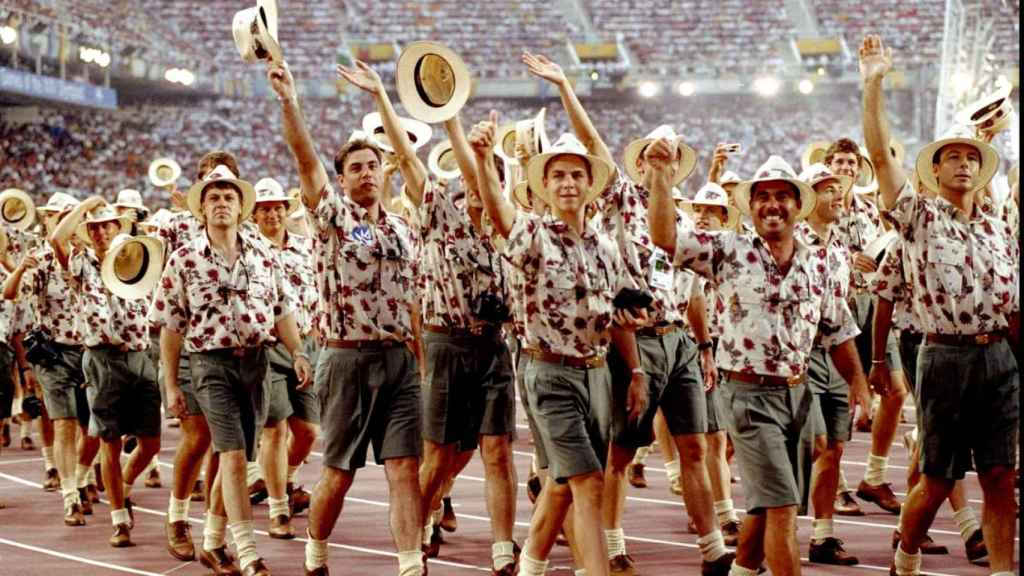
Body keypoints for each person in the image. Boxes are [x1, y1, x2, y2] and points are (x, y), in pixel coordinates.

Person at [649, 150, 870, 576]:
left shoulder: (818, 262)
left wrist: (860, 386)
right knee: (784, 507)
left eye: (782, 196)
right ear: (750, 208)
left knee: (767, 508)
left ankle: (741, 570)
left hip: (799, 394)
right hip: (748, 396)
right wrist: (660, 177)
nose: (772, 204)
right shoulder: (728, 250)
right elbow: (666, 239)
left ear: (796, 204)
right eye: (763, 196)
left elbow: (839, 331)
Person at [859, 34, 1018, 576]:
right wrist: (874, 82)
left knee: (999, 475)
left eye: (972, 158)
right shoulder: (919, 219)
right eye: (952, 157)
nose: (964, 165)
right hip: (943, 358)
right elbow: (880, 156)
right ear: (935, 170)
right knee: (938, 479)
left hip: (998, 356)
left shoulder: (998, 228)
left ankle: (1001, 570)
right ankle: (905, 553)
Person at [472, 104, 649, 576]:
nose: (568, 183)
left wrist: (635, 372)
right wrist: (484, 161)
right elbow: (499, 210)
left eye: (576, 175)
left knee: (560, 483)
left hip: (596, 374)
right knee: (589, 483)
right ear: (544, 187)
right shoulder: (532, 233)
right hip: (548, 373)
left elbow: (616, 315)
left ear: (589, 184)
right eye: (559, 176)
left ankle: (530, 565)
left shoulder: (605, 246)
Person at [270, 58, 425, 576]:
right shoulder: (334, 220)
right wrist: (290, 101)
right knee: (339, 472)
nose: (366, 173)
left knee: (405, 467)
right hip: (345, 359)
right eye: (355, 167)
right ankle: (316, 546)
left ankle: (410, 563)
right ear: (342, 179)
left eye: (373, 165)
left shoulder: (403, 230)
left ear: (385, 173)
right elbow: (304, 158)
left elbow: (412, 300)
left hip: (398, 360)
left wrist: (419, 356)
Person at [150, 163, 311, 576]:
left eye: (229, 198)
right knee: (234, 456)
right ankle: (249, 552)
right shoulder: (184, 259)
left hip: (257, 364)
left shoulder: (262, 254)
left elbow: (282, 309)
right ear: (202, 209)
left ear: (241, 208)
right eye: (213, 198)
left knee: (236, 456)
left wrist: (297, 352)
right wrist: (170, 384)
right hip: (210, 365)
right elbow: (171, 327)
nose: (221, 204)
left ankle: (212, 543)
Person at [49, 197, 162, 548]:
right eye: (94, 227)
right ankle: (119, 518)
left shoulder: (137, 255)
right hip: (101, 358)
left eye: (106, 225)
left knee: (151, 441)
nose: (100, 231)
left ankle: (122, 487)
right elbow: (56, 240)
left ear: (118, 227)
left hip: (140, 355)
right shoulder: (81, 262)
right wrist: (85, 206)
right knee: (109, 442)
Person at [2, 192, 102, 526]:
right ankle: (70, 495)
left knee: (94, 427)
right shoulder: (41, 256)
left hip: (88, 350)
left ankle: (83, 475)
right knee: (64, 423)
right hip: (54, 353)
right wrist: (17, 269)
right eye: (54, 215)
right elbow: (10, 293)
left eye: (64, 216)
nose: (58, 221)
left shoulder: (86, 255)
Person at [822, 137, 905, 517]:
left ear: (859, 169)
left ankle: (874, 475)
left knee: (896, 391)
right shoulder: (817, 207)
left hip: (873, 303)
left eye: (850, 163)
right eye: (838, 162)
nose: (845, 168)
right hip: (836, 308)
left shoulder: (871, 209)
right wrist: (846, 259)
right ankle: (835, 485)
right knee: (840, 399)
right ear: (828, 166)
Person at [793, 164, 861, 566]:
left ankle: (823, 535)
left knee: (834, 448)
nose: (838, 196)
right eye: (827, 189)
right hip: (799, 355)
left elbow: (842, 313)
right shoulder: (789, 242)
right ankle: (769, 528)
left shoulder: (839, 250)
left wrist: (857, 375)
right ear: (807, 198)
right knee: (810, 444)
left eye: (839, 190)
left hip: (833, 354)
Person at [248, 177, 321, 540]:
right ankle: (278, 509)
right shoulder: (248, 251)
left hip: (305, 346)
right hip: (265, 348)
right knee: (274, 430)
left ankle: (284, 479)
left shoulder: (304, 247)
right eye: (264, 209)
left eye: (277, 207)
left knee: (309, 431)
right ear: (254, 215)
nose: (273, 214)